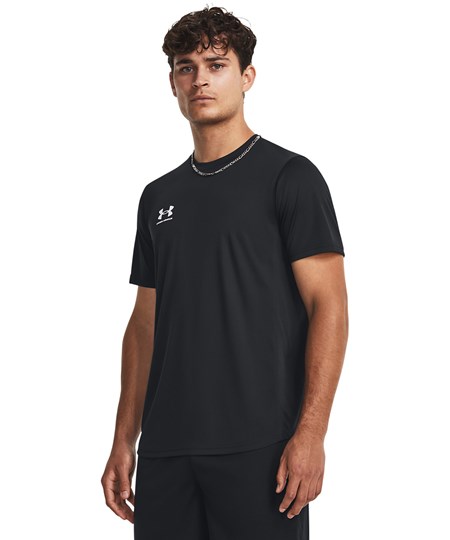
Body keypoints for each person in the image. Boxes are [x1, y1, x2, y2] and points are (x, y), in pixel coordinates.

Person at [101, 6, 349, 540]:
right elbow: (144, 324)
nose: (200, 80)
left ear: (246, 76)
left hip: (261, 448)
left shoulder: (290, 177)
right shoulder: (157, 197)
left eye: (216, 65)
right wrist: (124, 439)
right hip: (166, 450)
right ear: (172, 83)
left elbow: (328, 306)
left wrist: (311, 434)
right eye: (186, 68)